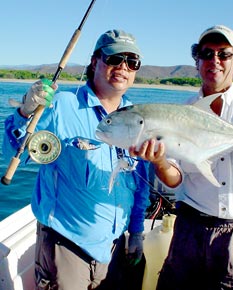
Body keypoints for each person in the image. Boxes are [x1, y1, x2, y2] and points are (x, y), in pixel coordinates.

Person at [130, 24, 233, 289]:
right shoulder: (179, 113)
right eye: (206, 54)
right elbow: (174, 179)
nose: (214, 61)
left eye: (224, 54)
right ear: (197, 62)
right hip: (190, 230)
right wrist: (158, 161)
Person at [2, 29, 150, 289]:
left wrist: (136, 232)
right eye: (114, 59)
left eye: (132, 62)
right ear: (95, 62)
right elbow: (17, 151)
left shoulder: (138, 117)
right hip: (66, 245)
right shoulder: (61, 106)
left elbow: (140, 183)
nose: (123, 67)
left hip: (115, 246)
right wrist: (25, 111)